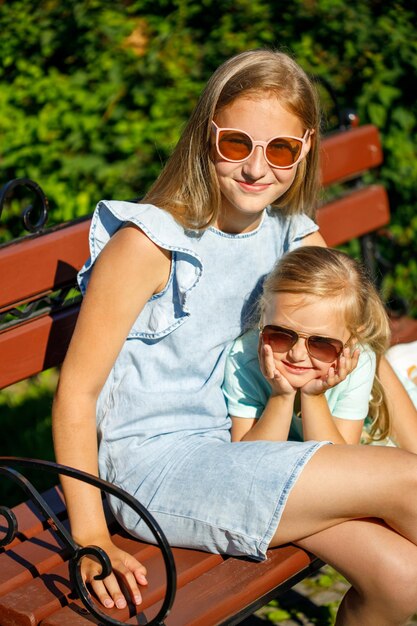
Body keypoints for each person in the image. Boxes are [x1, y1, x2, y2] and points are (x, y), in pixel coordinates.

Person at [52, 48, 417, 626]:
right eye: (236, 144)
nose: (255, 168)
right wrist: (91, 531)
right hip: (158, 472)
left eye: (280, 149)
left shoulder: (292, 232)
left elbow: (366, 344)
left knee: (403, 581)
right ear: (206, 137)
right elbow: (76, 394)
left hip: (247, 448)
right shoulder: (150, 244)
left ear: (304, 149)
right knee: (409, 484)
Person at [223, 246, 392, 446]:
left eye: (321, 343)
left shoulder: (360, 361)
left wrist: (314, 396)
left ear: (351, 343)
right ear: (263, 317)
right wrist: (281, 396)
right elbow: (249, 460)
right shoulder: (243, 359)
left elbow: (338, 466)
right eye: (281, 335)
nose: (297, 354)